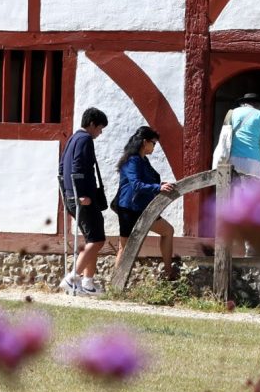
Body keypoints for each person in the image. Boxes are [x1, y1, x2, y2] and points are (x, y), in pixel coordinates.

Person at [60, 107, 110, 295]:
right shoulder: (85, 139)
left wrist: (68, 193)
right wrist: (80, 194)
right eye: (100, 128)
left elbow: (62, 166)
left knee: (92, 239)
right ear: (91, 124)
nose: (100, 132)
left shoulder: (72, 139)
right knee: (97, 240)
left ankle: (88, 283)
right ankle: (72, 278)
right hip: (82, 198)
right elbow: (78, 166)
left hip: (71, 196)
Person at [113, 126, 179, 265]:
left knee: (168, 231)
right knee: (125, 248)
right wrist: (158, 187)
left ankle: (169, 272)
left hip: (143, 206)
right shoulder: (133, 160)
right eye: (153, 143)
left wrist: (160, 185)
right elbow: (136, 185)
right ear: (145, 142)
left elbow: (147, 181)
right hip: (129, 208)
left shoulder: (143, 160)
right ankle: (116, 286)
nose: (154, 146)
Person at [216, 87, 260, 180]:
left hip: (233, 160)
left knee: (234, 192)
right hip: (254, 161)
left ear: (243, 103)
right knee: (252, 194)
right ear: (258, 105)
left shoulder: (232, 113)